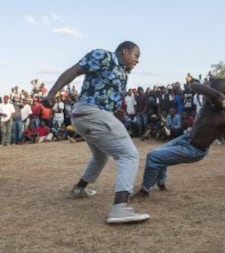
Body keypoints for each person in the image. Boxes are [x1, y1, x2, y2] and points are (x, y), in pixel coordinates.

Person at [43, 41, 150, 224]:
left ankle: (79, 189)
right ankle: (120, 208)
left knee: (100, 156)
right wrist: (52, 93)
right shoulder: (104, 56)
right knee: (129, 155)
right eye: (136, 55)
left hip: (87, 115)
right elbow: (75, 70)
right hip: (91, 112)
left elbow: (107, 96)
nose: (137, 60)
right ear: (125, 52)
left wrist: (117, 111)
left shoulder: (122, 73)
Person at [132, 79, 225, 200]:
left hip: (194, 150)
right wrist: (218, 96)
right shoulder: (211, 101)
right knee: (159, 154)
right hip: (186, 138)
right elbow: (194, 86)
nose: (208, 97)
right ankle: (160, 183)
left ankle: (145, 191)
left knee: (153, 157)